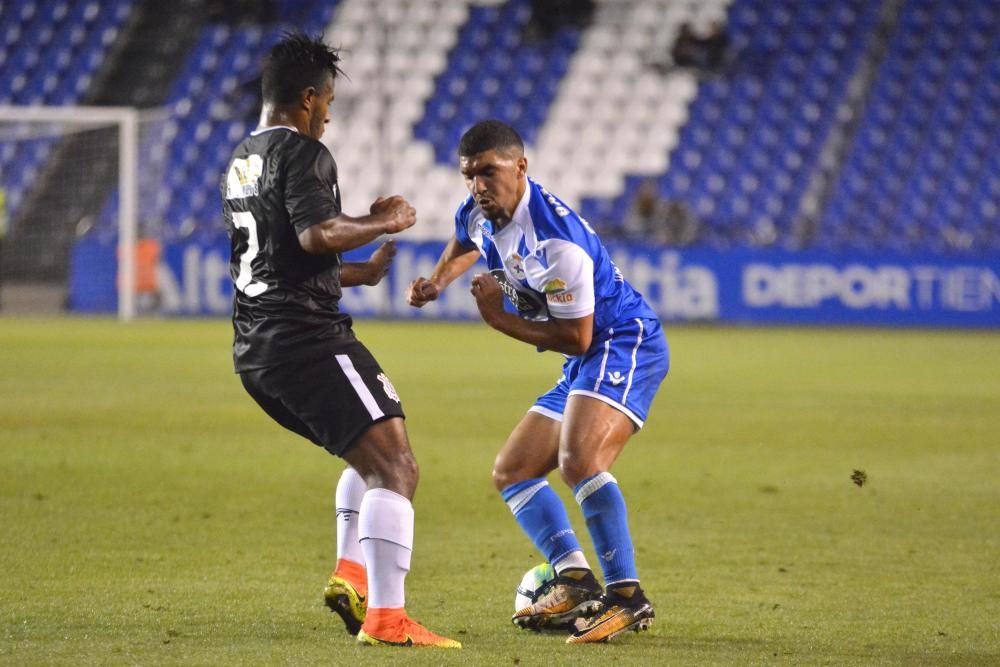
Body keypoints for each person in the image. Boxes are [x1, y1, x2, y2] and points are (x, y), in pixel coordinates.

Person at [221, 32, 460, 649]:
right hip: (306, 340)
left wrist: (360, 273)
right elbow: (317, 234)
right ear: (306, 99)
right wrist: (389, 218)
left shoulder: (243, 158)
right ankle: (387, 619)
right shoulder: (304, 153)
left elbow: (281, 258)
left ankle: (352, 575)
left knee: (370, 454)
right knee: (397, 466)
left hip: (257, 350)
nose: (328, 114)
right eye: (326, 102)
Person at [406, 120, 669, 644]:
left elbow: (575, 336)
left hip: (621, 342)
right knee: (514, 470)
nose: (479, 185)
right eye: (469, 175)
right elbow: (463, 240)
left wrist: (496, 316)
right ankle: (572, 578)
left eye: (489, 172)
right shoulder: (479, 212)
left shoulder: (555, 239)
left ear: (520, 167)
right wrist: (437, 281)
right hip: (585, 357)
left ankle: (626, 597)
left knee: (579, 462)